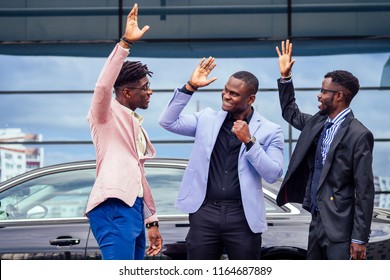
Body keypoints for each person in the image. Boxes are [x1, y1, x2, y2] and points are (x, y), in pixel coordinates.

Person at [159, 57, 284, 260]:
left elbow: (273, 174)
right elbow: (167, 121)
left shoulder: (271, 130)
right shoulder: (206, 119)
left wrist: (250, 142)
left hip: (243, 217)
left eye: (234, 94)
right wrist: (190, 87)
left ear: (250, 99)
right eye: (225, 90)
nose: (226, 96)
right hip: (205, 212)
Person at [275, 39, 375, 260]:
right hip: (316, 222)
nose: (318, 95)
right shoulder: (317, 123)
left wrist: (359, 239)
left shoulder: (359, 134)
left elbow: (364, 190)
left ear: (338, 96)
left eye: (323, 91)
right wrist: (285, 78)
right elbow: (290, 112)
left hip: (341, 230)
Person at [85, 3, 162, 260]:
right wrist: (125, 43)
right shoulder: (104, 115)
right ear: (127, 92)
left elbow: (138, 172)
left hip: (133, 207)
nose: (150, 91)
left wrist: (151, 220)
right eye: (145, 87)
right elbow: (103, 86)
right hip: (114, 206)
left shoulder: (133, 122)